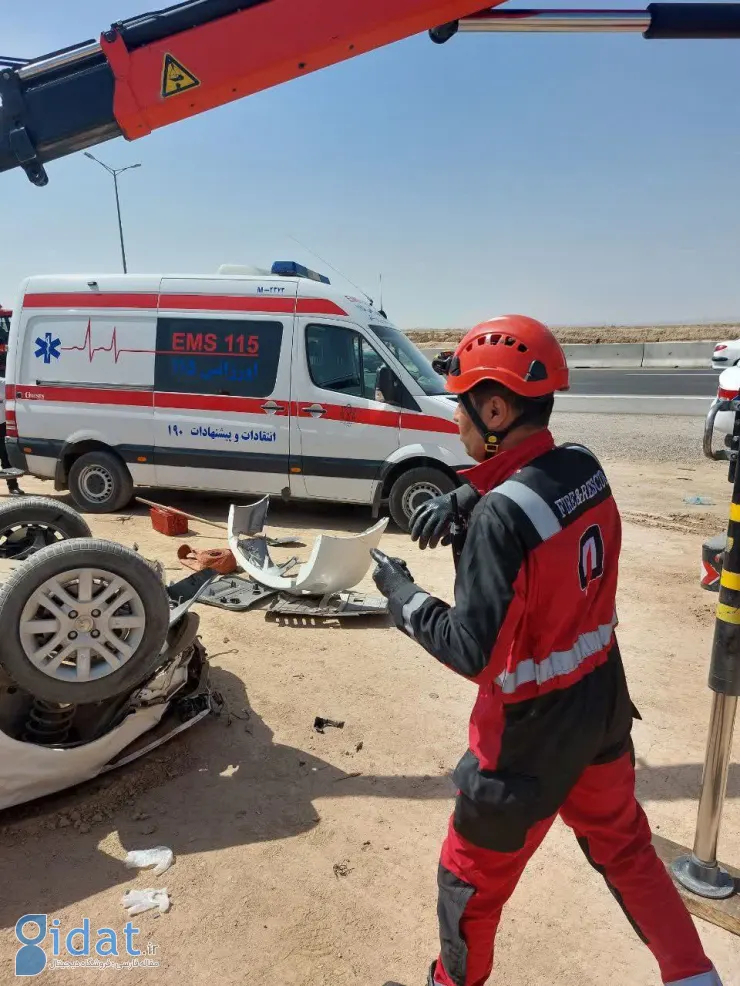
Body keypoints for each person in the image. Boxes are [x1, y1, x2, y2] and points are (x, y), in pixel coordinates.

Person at [372, 315, 722, 986]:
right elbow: (538, 488)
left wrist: (405, 598)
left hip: (523, 746)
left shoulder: (501, 520)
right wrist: (468, 491)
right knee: (628, 853)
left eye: (463, 407)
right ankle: (694, 977)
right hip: (600, 708)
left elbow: (473, 650)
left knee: (469, 887)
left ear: (495, 408)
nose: (457, 423)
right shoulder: (583, 465)